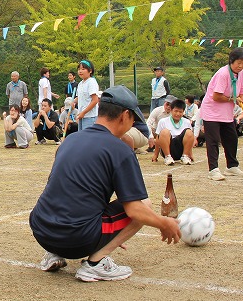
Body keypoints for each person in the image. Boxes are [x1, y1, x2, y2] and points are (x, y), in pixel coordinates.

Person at [29, 85, 181, 282]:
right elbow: (135, 210)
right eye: (133, 119)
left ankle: (53, 253)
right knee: (144, 205)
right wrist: (164, 223)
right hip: (77, 238)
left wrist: (112, 234)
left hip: (42, 230)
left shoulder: (70, 140)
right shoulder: (120, 150)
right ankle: (95, 264)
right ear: (125, 115)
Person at [200, 48, 243, 181]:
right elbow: (216, 96)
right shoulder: (223, 73)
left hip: (226, 112)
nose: (241, 66)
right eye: (238, 63)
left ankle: (232, 166)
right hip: (211, 111)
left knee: (231, 138)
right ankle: (213, 169)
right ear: (231, 61)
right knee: (213, 140)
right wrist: (233, 99)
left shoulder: (242, 74)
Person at [154, 99, 195, 165]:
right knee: (164, 132)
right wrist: (155, 155)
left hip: (180, 149)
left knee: (189, 132)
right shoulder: (163, 121)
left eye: (180, 112)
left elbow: (189, 139)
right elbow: (158, 139)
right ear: (171, 110)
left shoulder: (187, 122)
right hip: (167, 148)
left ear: (183, 112)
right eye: (176, 111)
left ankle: (185, 156)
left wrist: (190, 154)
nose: (178, 114)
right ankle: (168, 157)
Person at [75, 59, 99, 131]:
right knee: (82, 138)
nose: (80, 71)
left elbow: (95, 100)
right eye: (79, 69)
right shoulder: (80, 83)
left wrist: (84, 112)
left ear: (90, 71)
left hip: (90, 117)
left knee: (88, 139)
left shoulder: (91, 82)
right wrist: (73, 102)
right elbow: (79, 98)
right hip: (81, 116)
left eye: (83, 69)